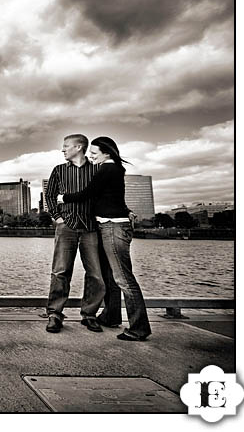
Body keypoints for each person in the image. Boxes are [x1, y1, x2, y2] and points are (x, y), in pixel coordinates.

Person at [58, 136, 152, 341]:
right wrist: (127, 210)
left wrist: (63, 198)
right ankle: (111, 316)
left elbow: (88, 193)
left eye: (94, 153)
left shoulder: (108, 169)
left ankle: (139, 328)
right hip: (106, 225)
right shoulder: (113, 169)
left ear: (106, 153)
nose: (91, 156)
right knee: (109, 275)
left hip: (113, 227)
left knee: (124, 279)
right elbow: (112, 197)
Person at [44, 134, 106, 334]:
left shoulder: (97, 169)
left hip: (90, 228)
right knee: (60, 271)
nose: (63, 150)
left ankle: (89, 315)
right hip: (66, 226)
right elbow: (50, 195)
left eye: (66, 147)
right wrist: (57, 217)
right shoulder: (59, 170)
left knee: (96, 274)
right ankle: (55, 314)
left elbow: (107, 195)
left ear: (78, 147)